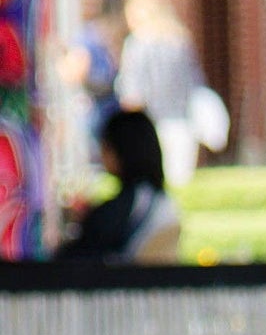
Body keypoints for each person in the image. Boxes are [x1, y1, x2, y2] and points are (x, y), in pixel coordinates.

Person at [55, 109, 180, 264]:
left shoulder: (133, 203)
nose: (102, 154)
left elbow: (82, 249)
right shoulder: (160, 200)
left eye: (106, 147)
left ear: (122, 150)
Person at [116, 0, 204, 186]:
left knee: (154, 180)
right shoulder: (180, 42)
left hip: (151, 122)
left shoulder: (137, 45)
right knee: (181, 181)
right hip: (181, 119)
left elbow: (131, 92)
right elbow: (195, 82)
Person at [57, 0, 128, 149]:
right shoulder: (90, 37)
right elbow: (73, 72)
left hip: (111, 109)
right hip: (93, 109)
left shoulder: (111, 38)